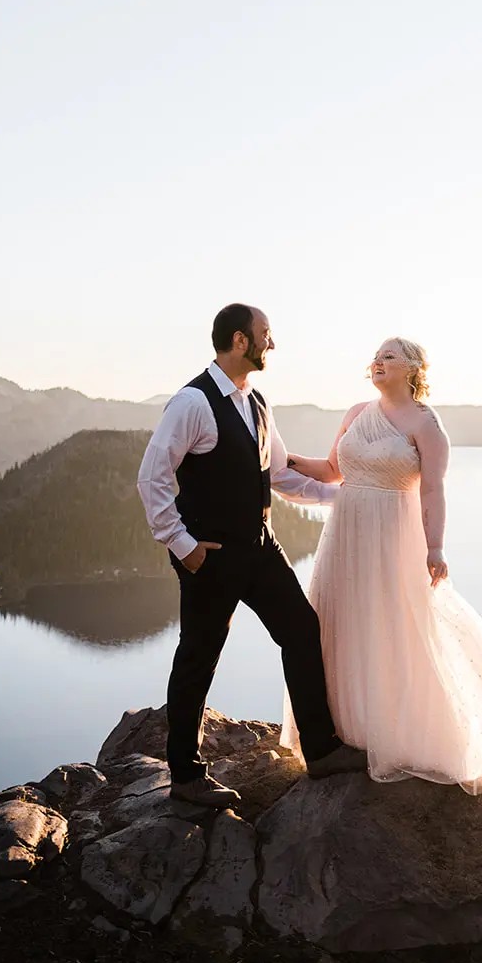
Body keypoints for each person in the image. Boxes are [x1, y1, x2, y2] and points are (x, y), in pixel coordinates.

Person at [137, 303, 367, 806]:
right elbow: (152, 478)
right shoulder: (191, 403)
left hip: (261, 548)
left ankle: (322, 751)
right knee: (199, 658)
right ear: (240, 341)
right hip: (211, 556)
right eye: (266, 334)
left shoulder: (257, 402)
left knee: (302, 631)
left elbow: (278, 474)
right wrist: (184, 547)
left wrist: (347, 501)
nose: (272, 343)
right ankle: (186, 777)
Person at [281, 337, 482, 793]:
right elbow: (332, 470)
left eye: (390, 356)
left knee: (395, 626)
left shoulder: (427, 424)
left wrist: (435, 548)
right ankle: (343, 733)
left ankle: (394, 735)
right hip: (345, 533)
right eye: (376, 355)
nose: (378, 361)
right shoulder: (357, 413)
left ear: (413, 368)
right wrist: (280, 460)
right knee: (342, 622)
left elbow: (433, 490)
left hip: (394, 537)